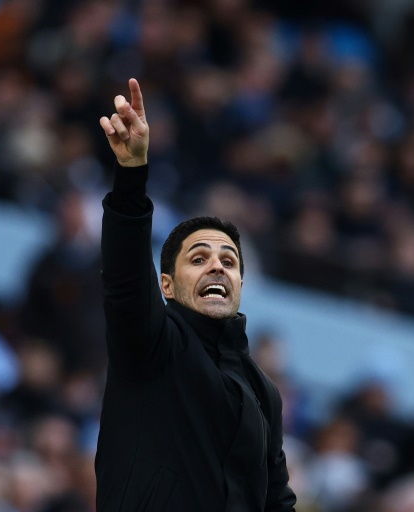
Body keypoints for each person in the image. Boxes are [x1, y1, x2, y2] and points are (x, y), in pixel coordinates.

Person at [95, 78, 296, 511]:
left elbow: (277, 501)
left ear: (241, 283)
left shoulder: (264, 390)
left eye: (229, 260)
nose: (217, 266)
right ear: (166, 285)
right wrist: (131, 174)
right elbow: (125, 276)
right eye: (199, 258)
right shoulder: (153, 343)